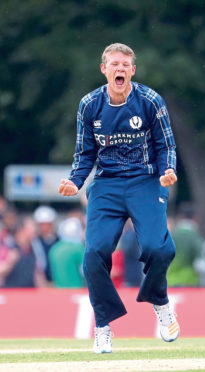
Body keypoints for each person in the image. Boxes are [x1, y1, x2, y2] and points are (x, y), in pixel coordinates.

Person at [58, 43, 179, 353]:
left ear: (133, 70)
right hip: (107, 184)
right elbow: (85, 153)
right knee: (93, 255)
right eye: (114, 64)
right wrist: (74, 181)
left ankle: (160, 302)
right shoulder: (89, 105)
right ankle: (102, 326)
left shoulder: (150, 101)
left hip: (146, 181)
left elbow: (167, 145)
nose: (120, 69)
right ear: (104, 69)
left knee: (158, 248)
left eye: (126, 64)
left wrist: (167, 169)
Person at [167, 203, 203, 286]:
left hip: (171, 280)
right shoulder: (195, 236)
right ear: (195, 218)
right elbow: (201, 263)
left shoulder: (172, 235)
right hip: (189, 281)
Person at [49, 217, 85, 288]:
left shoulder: (54, 249)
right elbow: (86, 272)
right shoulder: (79, 248)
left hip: (59, 291)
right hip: (77, 291)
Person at [33, 206, 59, 284]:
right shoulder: (35, 241)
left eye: (47, 224)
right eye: (42, 224)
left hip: (57, 281)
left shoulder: (59, 240)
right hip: (42, 281)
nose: (44, 227)